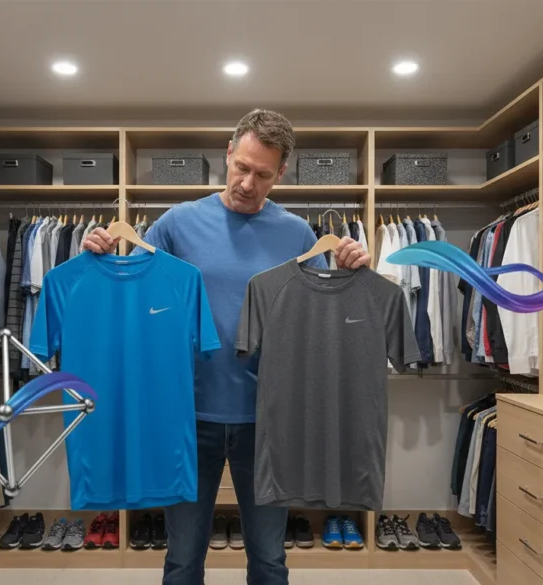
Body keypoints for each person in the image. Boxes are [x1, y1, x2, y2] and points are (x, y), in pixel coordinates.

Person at [82, 109, 370, 585]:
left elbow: (326, 320)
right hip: (189, 416)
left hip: (268, 420)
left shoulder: (298, 234)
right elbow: (130, 300)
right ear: (228, 155)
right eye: (242, 167)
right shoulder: (176, 224)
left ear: (280, 174)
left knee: (270, 558)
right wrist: (96, 258)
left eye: (262, 175)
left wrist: (353, 271)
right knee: (182, 556)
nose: (247, 183)